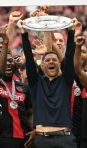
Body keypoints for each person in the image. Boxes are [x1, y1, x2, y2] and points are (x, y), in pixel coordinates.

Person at [17, 17, 78, 148]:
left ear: (59, 65)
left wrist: (71, 31)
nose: (51, 62)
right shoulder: (36, 83)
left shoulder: (66, 81)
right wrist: (23, 32)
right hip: (42, 140)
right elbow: (28, 57)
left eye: (54, 60)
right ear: (42, 65)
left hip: (65, 139)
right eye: (48, 60)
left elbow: (69, 55)